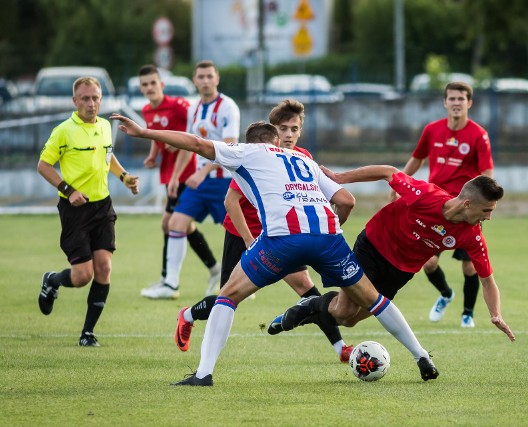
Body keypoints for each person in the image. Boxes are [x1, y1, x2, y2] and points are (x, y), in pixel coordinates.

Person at [110, 113, 440, 385]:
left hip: (282, 240)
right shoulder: (303, 159)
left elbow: (195, 143)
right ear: (277, 140)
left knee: (228, 295)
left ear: (250, 143)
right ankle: (421, 355)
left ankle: (204, 373)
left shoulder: (246, 152)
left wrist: (143, 132)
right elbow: (345, 200)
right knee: (375, 299)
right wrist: (331, 232)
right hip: (328, 237)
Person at [173, 99, 353, 363]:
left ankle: (340, 348)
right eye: (283, 128)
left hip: (284, 235)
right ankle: (188, 315)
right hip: (243, 232)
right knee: (229, 298)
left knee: (307, 289)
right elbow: (230, 202)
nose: (289, 134)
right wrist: (248, 240)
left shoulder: (304, 158)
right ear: (273, 131)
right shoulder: (254, 154)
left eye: (294, 128)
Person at [271, 165, 514, 350]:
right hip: (374, 248)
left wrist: (496, 314)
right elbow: (389, 172)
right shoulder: (426, 195)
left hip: (400, 270)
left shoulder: (472, 236)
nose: (489, 217)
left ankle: (310, 308)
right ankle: (312, 305)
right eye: (487, 211)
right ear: (468, 204)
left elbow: (487, 280)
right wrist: (339, 178)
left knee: (349, 320)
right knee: (344, 311)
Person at [37, 76, 139, 347]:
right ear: (75, 101)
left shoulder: (106, 126)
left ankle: (87, 333)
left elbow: (107, 157)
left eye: (95, 98)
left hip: (102, 206)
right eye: (85, 98)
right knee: (83, 276)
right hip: (75, 210)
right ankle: (52, 280)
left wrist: (124, 177)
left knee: (104, 268)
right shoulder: (64, 131)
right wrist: (69, 190)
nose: (91, 103)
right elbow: (44, 166)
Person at [395, 81, 494, 328]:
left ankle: (467, 314)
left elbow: (487, 172)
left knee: (470, 265)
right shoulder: (432, 130)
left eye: (461, 99)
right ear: (445, 102)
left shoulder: (478, 134)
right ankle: (446, 294)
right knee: (428, 263)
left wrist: (486, 203)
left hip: (466, 210)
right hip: (436, 208)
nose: (456, 103)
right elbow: (416, 160)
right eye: (452, 99)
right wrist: (398, 185)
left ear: (469, 103)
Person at [142, 60, 240, 299]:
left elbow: (229, 145)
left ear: (217, 79)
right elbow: (188, 145)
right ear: (194, 80)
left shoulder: (228, 106)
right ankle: (171, 285)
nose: (205, 81)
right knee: (175, 223)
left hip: (223, 181)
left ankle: (238, 281)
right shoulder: (194, 109)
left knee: (237, 231)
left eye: (209, 76)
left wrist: (203, 171)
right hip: (199, 183)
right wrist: (176, 176)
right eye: (201, 77)